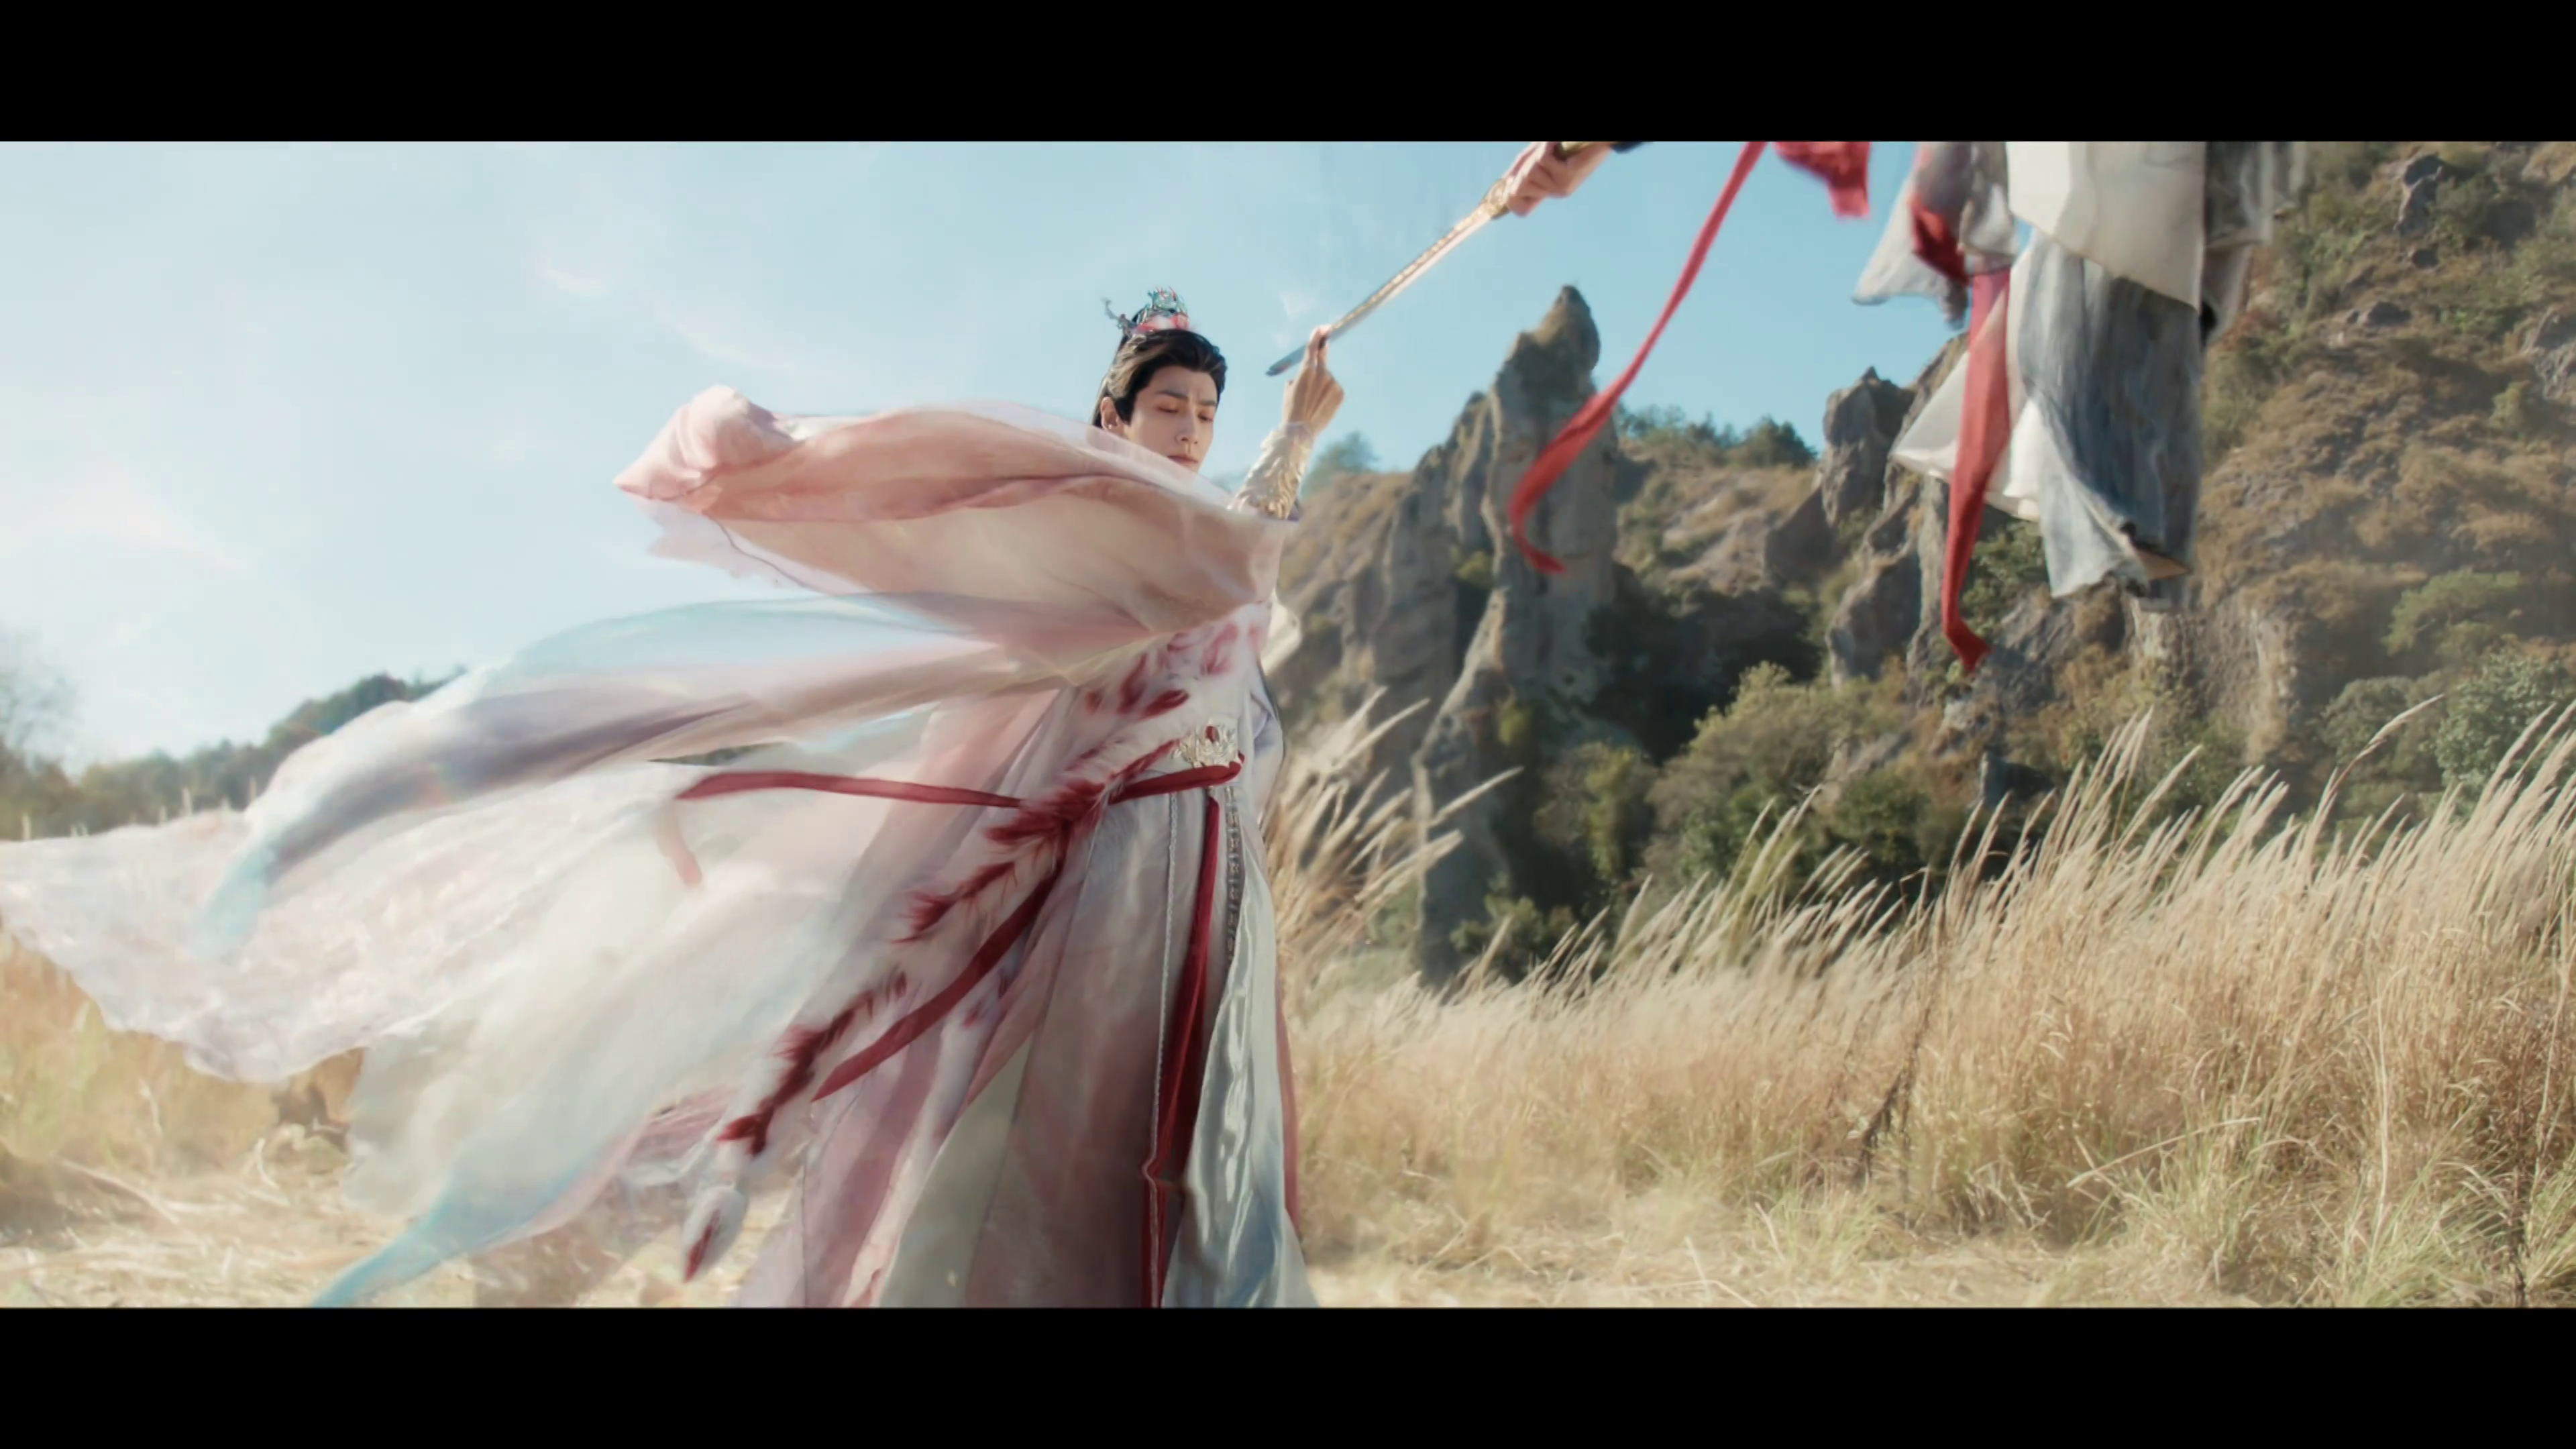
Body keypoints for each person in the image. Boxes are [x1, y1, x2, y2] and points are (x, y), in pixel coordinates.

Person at [0, 290, 1344, 1308]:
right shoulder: (1102, 522)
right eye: (1170, 409)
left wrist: (1282, 448)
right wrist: (1289, 443)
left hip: (1203, 869)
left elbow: (1237, 581)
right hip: (1110, 881)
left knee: (1193, 1140)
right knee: (1037, 1131)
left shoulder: (1195, 535)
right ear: (1117, 417)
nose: (1189, 432)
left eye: (1204, 416)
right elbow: (1220, 564)